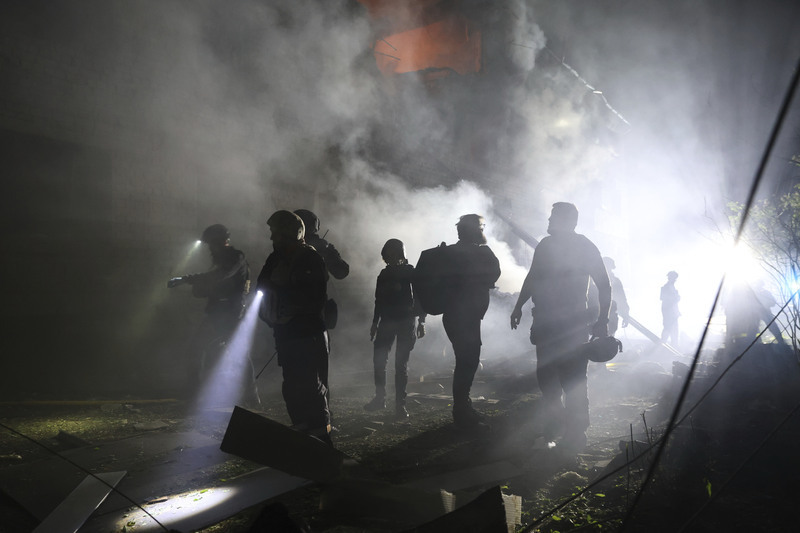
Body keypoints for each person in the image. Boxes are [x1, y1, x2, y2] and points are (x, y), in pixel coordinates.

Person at [510, 202, 611, 454]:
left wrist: (603, 320)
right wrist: (519, 305)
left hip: (571, 325)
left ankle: (576, 433)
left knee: (573, 379)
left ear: (568, 221)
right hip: (547, 322)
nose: (549, 221)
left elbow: (604, 284)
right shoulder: (546, 246)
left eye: (553, 217)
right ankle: (556, 425)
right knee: (547, 378)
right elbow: (533, 277)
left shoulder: (584, 247)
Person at [256, 210, 332, 445]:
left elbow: (314, 297)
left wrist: (284, 296)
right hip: (286, 332)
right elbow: (262, 285)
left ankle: (322, 439)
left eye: (276, 233)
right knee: (291, 385)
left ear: (290, 233)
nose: (272, 237)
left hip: (307, 332)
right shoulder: (276, 258)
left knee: (310, 385)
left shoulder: (310, 258)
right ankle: (302, 430)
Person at [168, 224, 258, 406]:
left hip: (229, 314)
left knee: (231, 353)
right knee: (201, 349)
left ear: (220, 242)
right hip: (219, 313)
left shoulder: (236, 258)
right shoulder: (226, 259)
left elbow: (219, 277)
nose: (210, 249)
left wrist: (187, 279)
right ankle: (196, 393)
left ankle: (250, 396)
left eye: (212, 244)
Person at [440, 214, 501, 429]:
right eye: (481, 227)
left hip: (452, 315)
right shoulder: (481, 252)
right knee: (468, 362)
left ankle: (463, 408)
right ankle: (462, 412)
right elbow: (495, 273)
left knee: (464, 361)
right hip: (467, 316)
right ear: (476, 230)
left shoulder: (448, 252)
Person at [365, 239, 427, 419]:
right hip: (389, 322)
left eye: (392, 253)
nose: (390, 257)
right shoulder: (385, 274)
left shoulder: (410, 272)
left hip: (405, 322)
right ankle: (382, 399)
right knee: (381, 361)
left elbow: (420, 297)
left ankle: (399, 405)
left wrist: (422, 321)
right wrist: (375, 323)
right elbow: (379, 300)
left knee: (400, 365)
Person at [294, 209, 350, 280]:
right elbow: (341, 273)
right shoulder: (320, 245)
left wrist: (327, 253)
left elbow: (341, 272)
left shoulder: (321, 246)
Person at [603, 257, 630, 336]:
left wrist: (625, 314)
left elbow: (621, 299)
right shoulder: (593, 281)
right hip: (597, 317)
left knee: (608, 339)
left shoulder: (616, 282)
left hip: (610, 317)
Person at [660, 271, 680, 346]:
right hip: (669, 312)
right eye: (674, 278)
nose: (675, 280)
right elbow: (664, 299)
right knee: (668, 328)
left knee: (673, 330)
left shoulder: (671, 287)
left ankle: (672, 345)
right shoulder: (666, 288)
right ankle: (663, 345)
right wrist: (676, 298)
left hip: (672, 313)